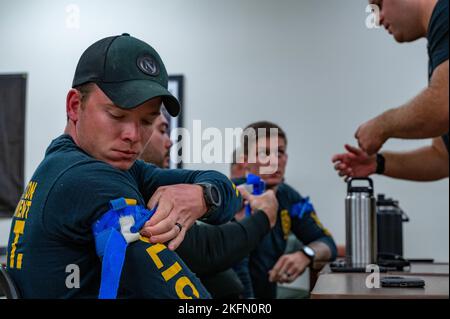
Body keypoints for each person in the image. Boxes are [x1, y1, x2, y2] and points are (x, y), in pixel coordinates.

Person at [6, 33, 243, 298]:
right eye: (117, 115)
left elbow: (227, 191)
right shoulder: (87, 178)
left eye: (146, 121)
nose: (133, 135)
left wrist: (203, 195)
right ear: (75, 106)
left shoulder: (113, 166)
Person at [139, 111, 280, 298]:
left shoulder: (283, 194)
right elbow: (207, 250)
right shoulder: (131, 183)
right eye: (163, 130)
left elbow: (214, 180)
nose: (171, 141)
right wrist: (264, 217)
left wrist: (204, 195)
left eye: (280, 153)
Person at [333, 0, 448, 181]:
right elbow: (442, 158)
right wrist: (377, 163)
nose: (377, 19)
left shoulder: (446, 13)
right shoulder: (440, 42)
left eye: (379, 4)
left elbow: (443, 108)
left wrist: (382, 126)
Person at [234, 121, 337, 299]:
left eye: (279, 152)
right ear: (244, 161)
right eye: (263, 153)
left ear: (286, 158)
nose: (274, 161)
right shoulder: (230, 197)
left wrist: (306, 254)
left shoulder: (289, 198)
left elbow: (327, 243)